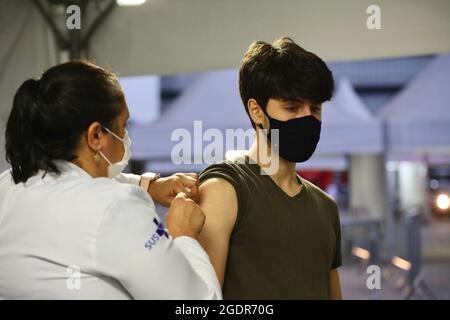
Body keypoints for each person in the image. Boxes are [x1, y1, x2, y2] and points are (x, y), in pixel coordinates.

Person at [0, 60, 221, 299]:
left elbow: (76, 189)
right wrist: (183, 235)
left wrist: (148, 186)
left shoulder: (8, 186)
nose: (126, 136)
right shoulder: (117, 207)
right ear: (96, 136)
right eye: (123, 126)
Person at [197, 38, 342, 299]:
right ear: (256, 111)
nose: (308, 118)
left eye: (315, 108)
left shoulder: (326, 207)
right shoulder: (224, 189)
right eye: (292, 107)